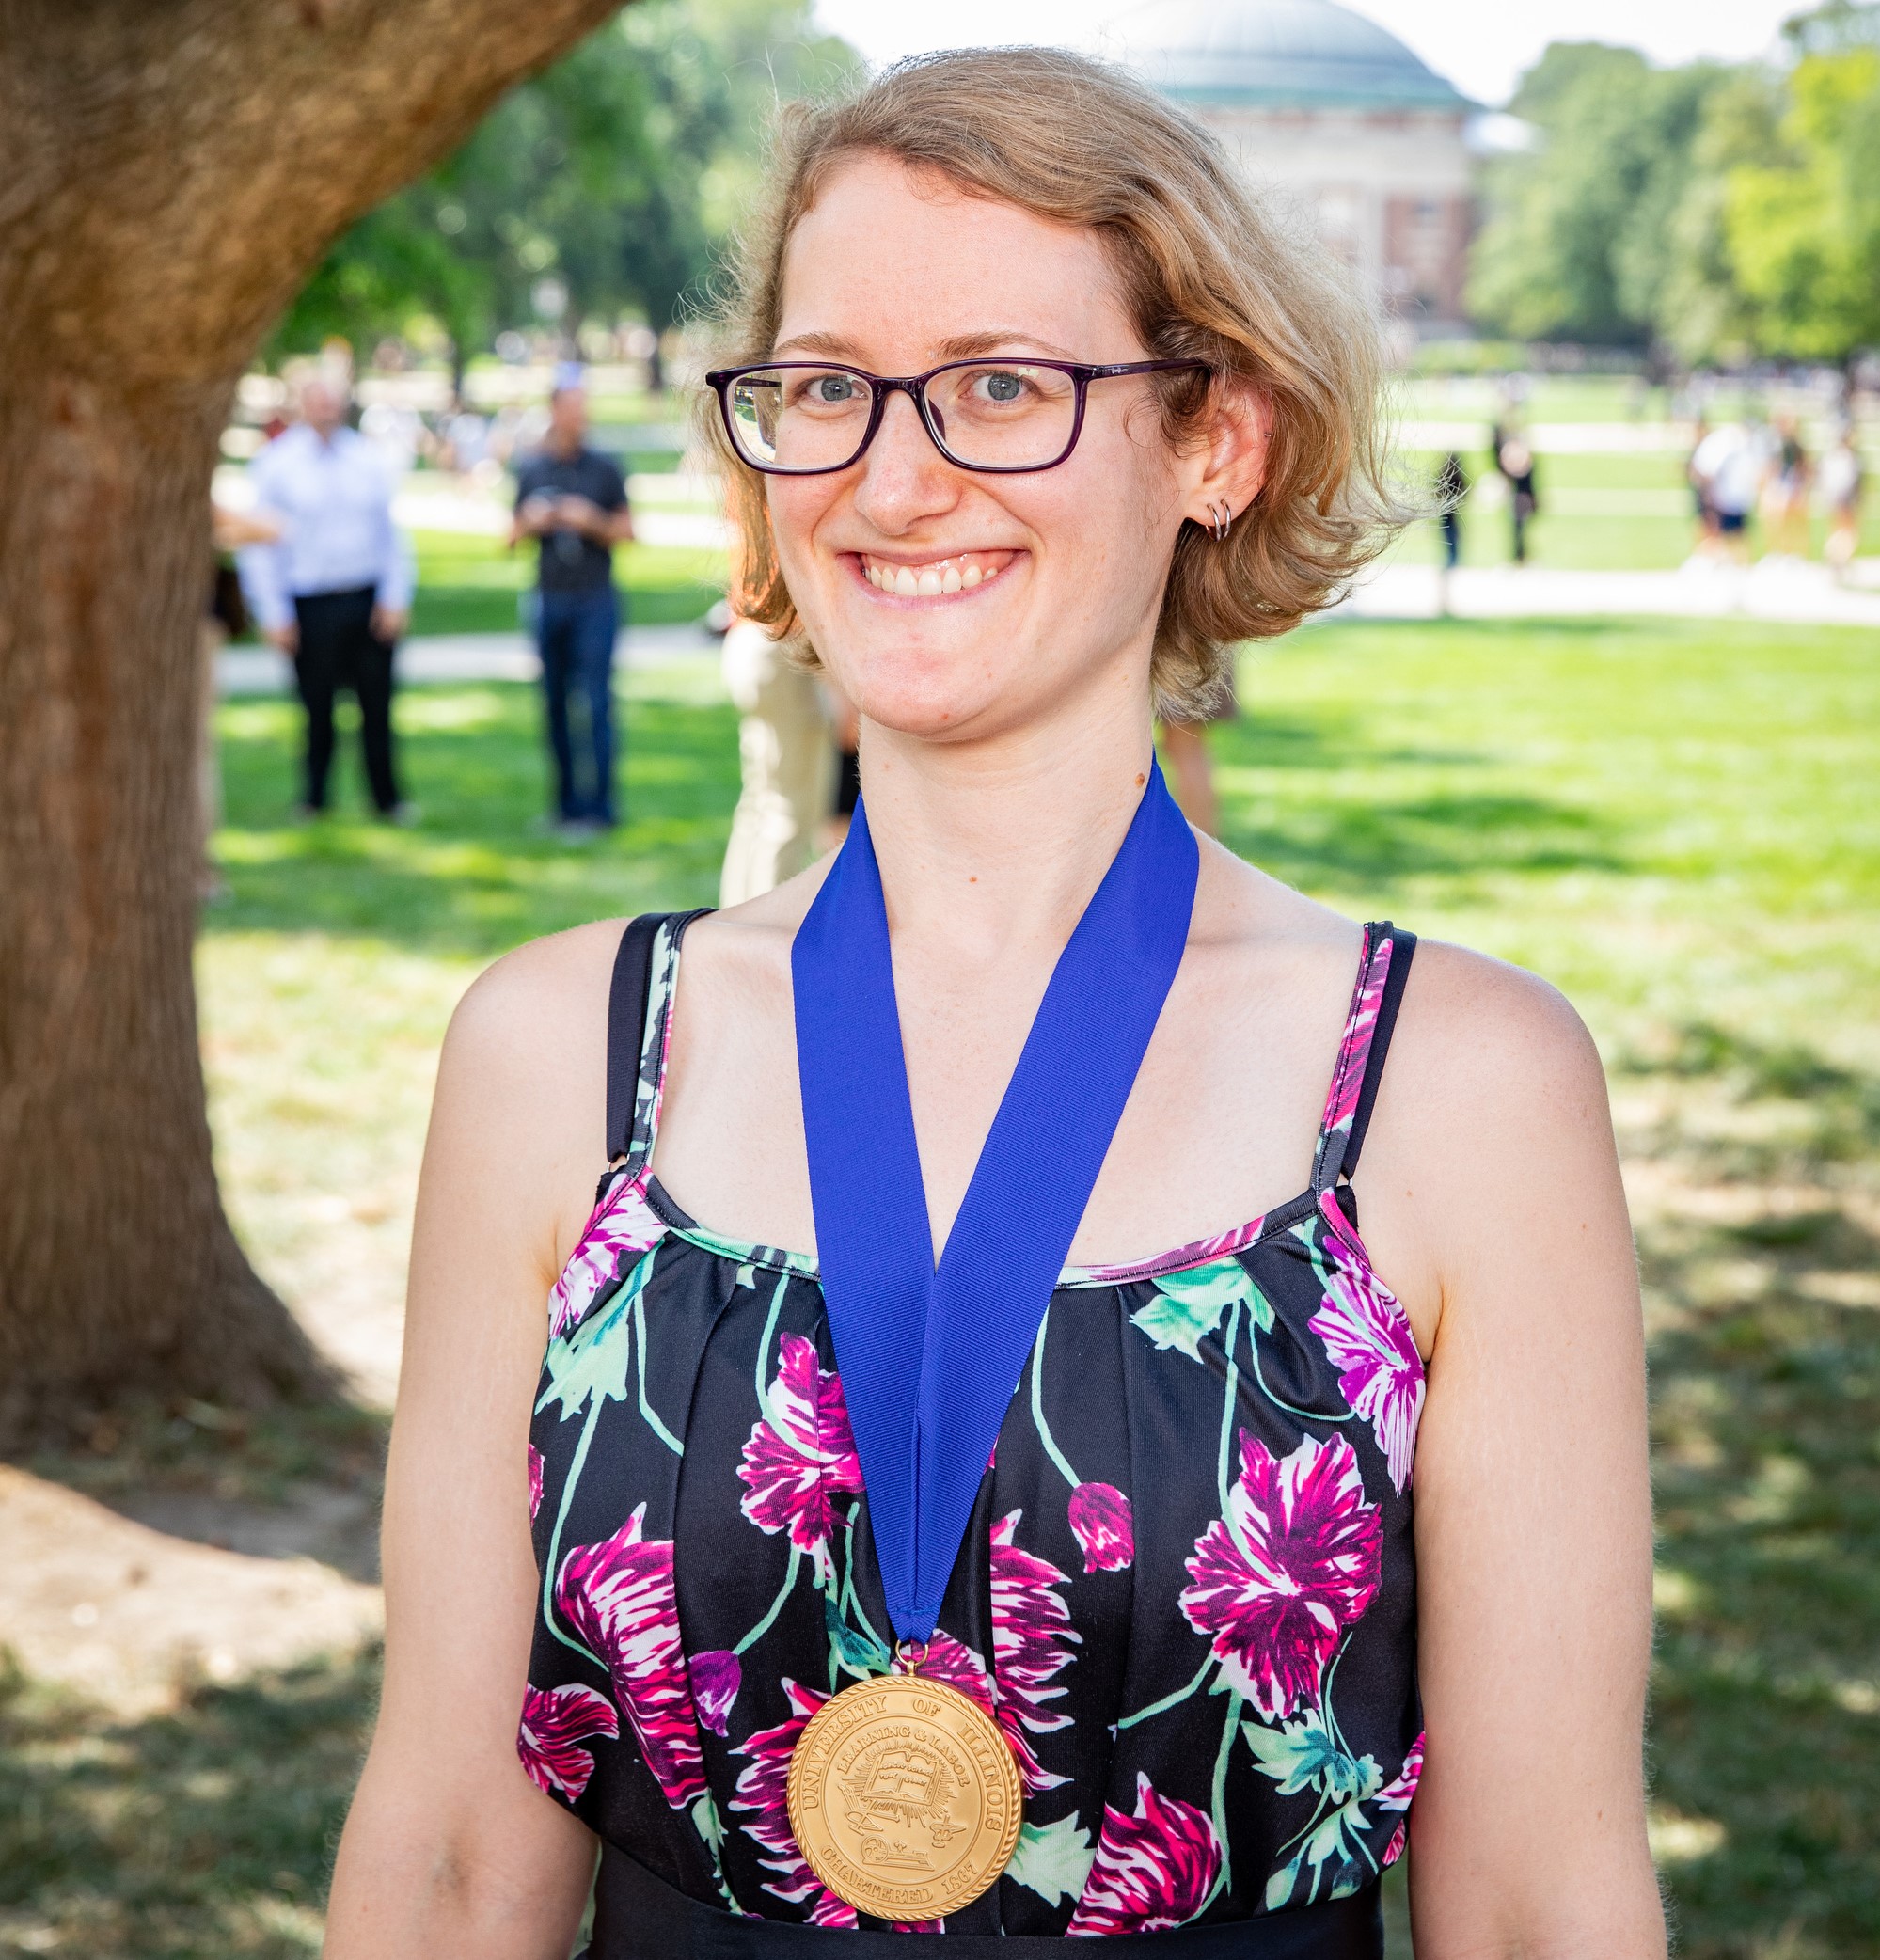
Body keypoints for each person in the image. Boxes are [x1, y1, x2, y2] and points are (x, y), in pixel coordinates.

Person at [325, 49, 1663, 1960]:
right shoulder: (560, 1061)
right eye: (824, 387)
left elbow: (1538, 1904)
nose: (889, 474)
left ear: (1220, 441)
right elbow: (456, 1854)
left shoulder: (1462, 1090)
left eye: (1001, 387)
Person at [239, 374, 415, 821]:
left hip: (365, 596)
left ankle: (387, 798)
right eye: (317, 402)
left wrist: (395, 596)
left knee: (377, 706)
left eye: (332, 403)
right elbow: (258, 544)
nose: (325, 411)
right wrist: (273, 612)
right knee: (316, 707)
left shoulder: (367, 458)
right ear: (302, 405)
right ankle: (315, 799)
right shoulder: (277, 464)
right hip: (310, 602)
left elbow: (392, 533)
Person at [512, 376, 635, 835]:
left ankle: (601, 810)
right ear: (554, 411)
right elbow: (508, 536)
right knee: (554, 706)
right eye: (572, 407)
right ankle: (564, 808)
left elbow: (628, 532)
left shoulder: (604, 467)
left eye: (585, 407)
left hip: (595, 600)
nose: (580, 416)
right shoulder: (533, 469)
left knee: (598, 703)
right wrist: (530, 521)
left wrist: (591, 520)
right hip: (549, 601)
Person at [719, 613, 835, 905]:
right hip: (783, 645)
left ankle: (738, 924)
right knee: (787, 814)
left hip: (752, 640)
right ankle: (764, 930)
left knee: (760, 805)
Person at [1690, 419, 1766, 565]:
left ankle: (1736, 565)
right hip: (1725, 498)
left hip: (1729, 499)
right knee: (1719, 534)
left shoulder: (1734, 448)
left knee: (1732, 536)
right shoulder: (1727, 447)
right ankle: (1722, 563)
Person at [1817, 420, 1864, 577]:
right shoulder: (1845, 458)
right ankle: (1839, 558)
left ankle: (1839, 558)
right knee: (1845, 530)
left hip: (1837, 498)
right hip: (1843, 498)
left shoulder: (1834, 457)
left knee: (1841, 530)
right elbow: (1846, 482)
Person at [1492, 424, 1538, 564]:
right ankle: (1519, 556)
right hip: (1520, 497)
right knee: (1518, 529)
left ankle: (1520, 556)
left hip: (1521, 497)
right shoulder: (1521, 459)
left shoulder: (1522, 461)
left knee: (1519, 529)